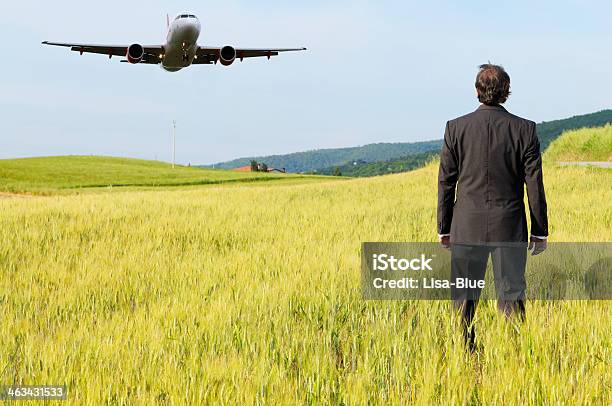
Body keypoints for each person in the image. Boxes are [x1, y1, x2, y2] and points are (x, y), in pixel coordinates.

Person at [437, 64, 549, 350]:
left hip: (466, 225)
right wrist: (540, 231)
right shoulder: (525, 129)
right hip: (508, 225)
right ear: (507, 92)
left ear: (476, 91)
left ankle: (465, 353)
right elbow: (534, 184)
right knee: (511, 294)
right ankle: (513, 355)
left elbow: (446, 182)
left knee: (463, 295)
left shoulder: (455, 128)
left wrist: (444, 228)